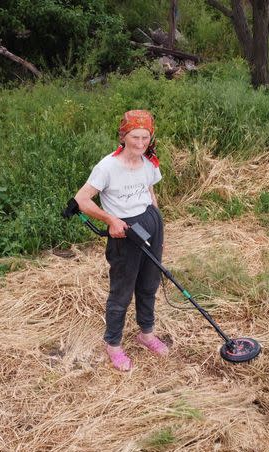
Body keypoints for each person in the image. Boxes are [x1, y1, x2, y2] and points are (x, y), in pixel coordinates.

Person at [74, 110, 169, 371]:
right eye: (135, 137)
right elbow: (81, 200)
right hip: (125, 233)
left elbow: (151, 195)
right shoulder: (107, 167)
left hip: (150, 225)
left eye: (145, 138)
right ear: (123, 136)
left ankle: (146, 334)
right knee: (122, 292)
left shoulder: (150, 163)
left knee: (149, 284)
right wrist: (111, 221)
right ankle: (113, 345)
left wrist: (160, 230)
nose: (140, 144)